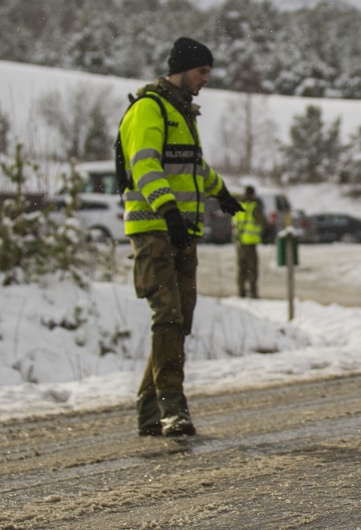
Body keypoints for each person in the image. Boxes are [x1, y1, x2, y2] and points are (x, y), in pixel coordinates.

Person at [119, 37, 244, 437]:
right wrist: (168, 209)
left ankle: (149, 410)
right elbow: (145, 166)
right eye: (202, 71)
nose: (206, 79)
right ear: (183, 68)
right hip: (154, 230)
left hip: (183, 232)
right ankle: (174, 409)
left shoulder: (181, 113)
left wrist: (220, 191)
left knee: (179, 320)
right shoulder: (148, 109)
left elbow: (192, 167)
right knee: (168, 315)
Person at [233, 185, 269, 298]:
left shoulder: (238, 206)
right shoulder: (254, 207)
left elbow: (234, 222)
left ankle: (241, 291)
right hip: (250, 243)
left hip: (239, 241)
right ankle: (253, 292)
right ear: (253, 194)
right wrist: (267, 229)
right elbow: (263, 222)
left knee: (241, 268)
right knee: (252, 268)